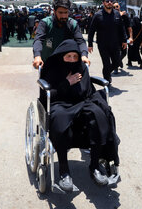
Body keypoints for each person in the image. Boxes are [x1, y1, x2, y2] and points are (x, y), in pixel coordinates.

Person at [40, 39, 120, 192]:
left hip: (82, 101)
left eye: (74, 57)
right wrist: (66, 83)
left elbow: (87, 90)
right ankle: (64, 172)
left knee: (98, 115)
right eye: (68, 56)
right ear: (61, 56)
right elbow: (50, 95)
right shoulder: (53, 69)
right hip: (60, 103)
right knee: (60, 120)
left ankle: (95, 165)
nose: (71, 60)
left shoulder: (81, 68)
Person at [33, 0, 90, 68]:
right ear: (54, 11)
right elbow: (38, 40)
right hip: (48, 64)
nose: (64, 16)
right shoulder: (45, 23)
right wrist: (37, 56)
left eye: (66, 12)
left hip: (68, 64)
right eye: (60, 12)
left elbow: (80, 41)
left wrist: (84, 55)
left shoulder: (73, 24)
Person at [88, 0, 127, 84]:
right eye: (107, 1)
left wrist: (124, 40)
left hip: (115, 44)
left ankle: (106, 73)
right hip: (103, 45)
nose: (109, 3)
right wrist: (90, 44)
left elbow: (122, 28)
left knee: (117, 62)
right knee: (106, 63)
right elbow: (91, 30)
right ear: (103, 3)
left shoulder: (117, 14)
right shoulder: (98, 15)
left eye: (111, 1)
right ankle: (107, 80)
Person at [113, 1, 133, 71]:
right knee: (116, 53)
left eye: (117, 6)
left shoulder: (125, 16)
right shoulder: (111, 16)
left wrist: (131, 37)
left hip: (123, 38)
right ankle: (115, 67)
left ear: (119, 7)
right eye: (114, 7)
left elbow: (129, 28)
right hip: (114, 38)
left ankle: (119, 61)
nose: (116, 8)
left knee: (124, 53)